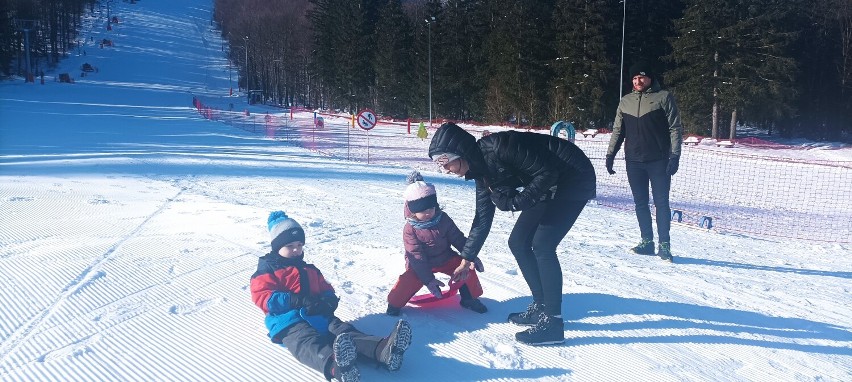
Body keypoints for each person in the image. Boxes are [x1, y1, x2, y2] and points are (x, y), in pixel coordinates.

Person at [428, 122, 596, 345]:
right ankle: (540, 306)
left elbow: (547, 172)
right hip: (546, 184)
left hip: (572, 178)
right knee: (518, 241)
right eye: (441, 165)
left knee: (543, 245)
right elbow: (482, 218)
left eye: (446, 162)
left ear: (460, 153)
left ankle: (553, 323)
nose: (446, 169)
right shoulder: (481, 172)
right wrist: (466, 258)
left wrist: (516, 202)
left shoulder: (500, 148)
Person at [251, 211, 413, 382]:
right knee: (305, 342)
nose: (296, 250)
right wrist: (293, 299)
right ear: (277, 247)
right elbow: (262, 296)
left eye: (299, 245)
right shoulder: (268, 269)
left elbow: (325, 288)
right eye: (290, 246)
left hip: (318, 314)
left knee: (343, 332)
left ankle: (382, 350)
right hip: (289, 321)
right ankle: (337, 366)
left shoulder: (310, 269)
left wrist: (328, 300)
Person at [605, 61, 683, 262]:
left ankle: (664, 245)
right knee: (640, 203)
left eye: (642, 77)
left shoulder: (663, 97)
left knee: (661, 203)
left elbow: (675, 128)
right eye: (634, 78)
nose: (638, 81)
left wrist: (674, 156)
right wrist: (610, 154)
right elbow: (618, 130)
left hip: (658, 160)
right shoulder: (625, 101)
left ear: (650, 78)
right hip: (634, 161)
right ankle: (646, 242)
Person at [386, 171, 488, 316]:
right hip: (421, 264)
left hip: (445, 258)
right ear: (413, 211)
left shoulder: (443, 219)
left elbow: (458, 239)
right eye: (423, 210)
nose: (428, 212)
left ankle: (469, 299)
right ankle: (394, 305)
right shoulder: (410, 229)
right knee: (408, 280)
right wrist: (428, 280)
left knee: (466, 269)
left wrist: (470, 257)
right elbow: (416, 256)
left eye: (431, 208)